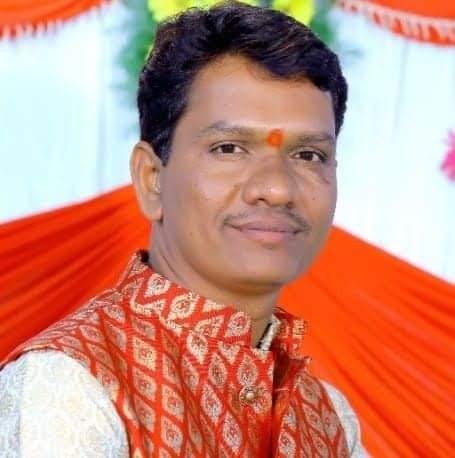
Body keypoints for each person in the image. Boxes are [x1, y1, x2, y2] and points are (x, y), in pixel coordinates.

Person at [0, 1, 366, 456]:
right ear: (151, 179)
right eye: (229, 148)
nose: (276, 188)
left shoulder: (327, 417)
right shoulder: (71, 386)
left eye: (309, 155)